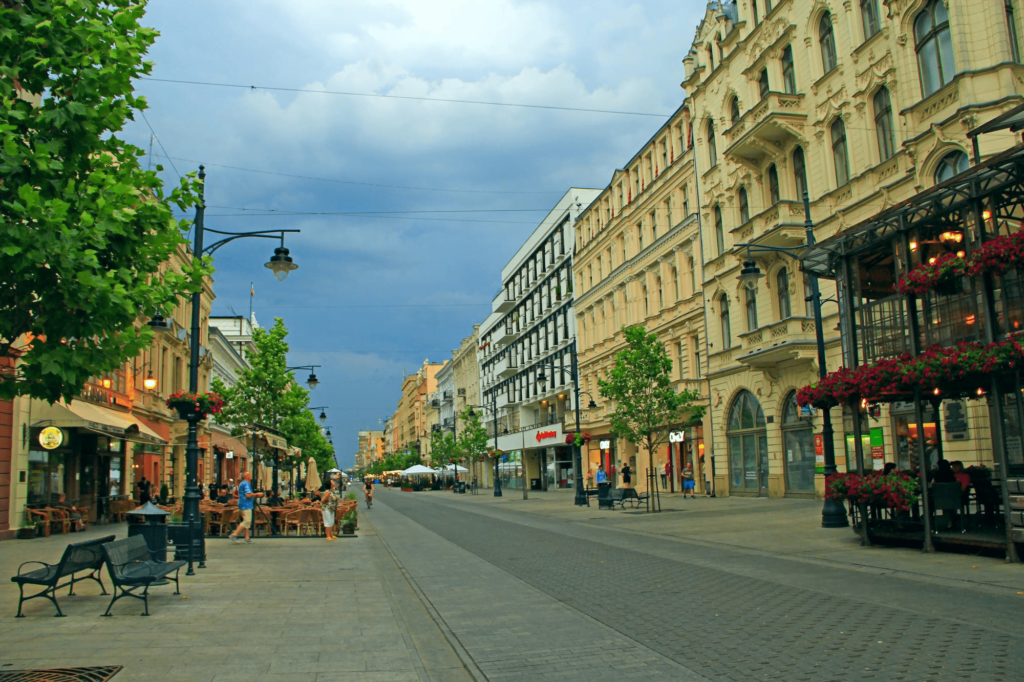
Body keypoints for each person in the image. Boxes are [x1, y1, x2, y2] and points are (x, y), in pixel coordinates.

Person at [229, 471, 263, 544]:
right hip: (246, 504)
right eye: (249, 474)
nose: (250, 475)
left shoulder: (242, 483)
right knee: (247, 521)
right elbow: (248, 495)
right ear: (246, 476)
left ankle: (247, 538)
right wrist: (257, 494)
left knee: (246, 520)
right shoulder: (246, 484)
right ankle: (234, 534)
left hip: (242, 503)